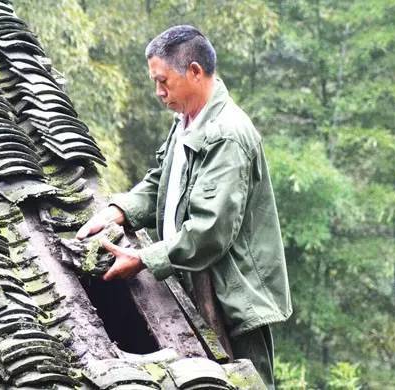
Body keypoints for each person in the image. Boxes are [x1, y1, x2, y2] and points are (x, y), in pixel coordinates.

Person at [75, 25, 292, 388]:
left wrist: (145, 259)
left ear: (193, 71)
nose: (159, 92)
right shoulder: (187, 122)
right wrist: (120, 210)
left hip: (231, 299)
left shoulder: (226, 133)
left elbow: (210, 231)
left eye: (164, 81)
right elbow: (161, 181)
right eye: (155, 82)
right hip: (193, 279)